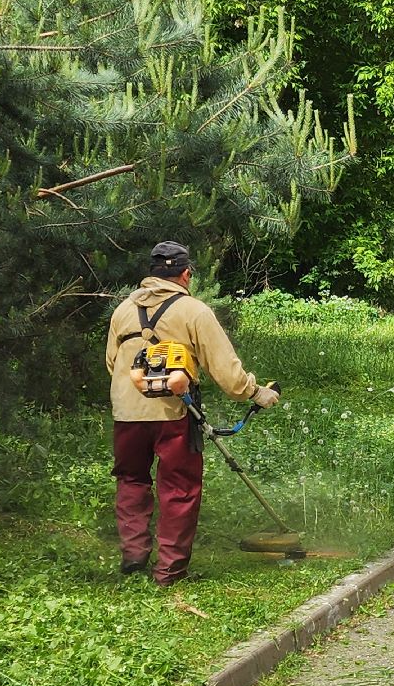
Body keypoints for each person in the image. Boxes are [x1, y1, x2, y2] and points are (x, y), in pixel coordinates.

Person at [104, 241, 279, 586]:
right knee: (179, 488)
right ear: (185, 274)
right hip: (173, 414)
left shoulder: (123, 310)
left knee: (132, 480)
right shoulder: (193, 311)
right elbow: (227, 372)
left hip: (127, 414)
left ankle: (134, 555)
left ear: (151, 274)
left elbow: (113, 363)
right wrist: (258, 393)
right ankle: (169, 570)